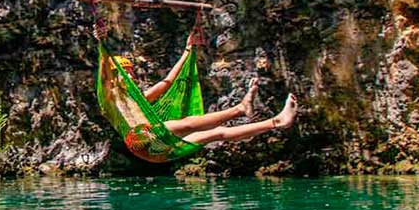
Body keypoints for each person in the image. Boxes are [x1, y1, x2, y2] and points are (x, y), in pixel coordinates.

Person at [111, 32, 297, 147]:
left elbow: (167, 82)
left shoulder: (141, 97)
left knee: (218, 133)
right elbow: (106, 79)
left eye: (131, 72)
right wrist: (101, 39)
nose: (131, 76)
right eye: (125, 73)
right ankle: (240, 109)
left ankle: (277, 122)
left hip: (160, 146)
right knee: (186, 123)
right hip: (141, 141)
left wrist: (187, 50)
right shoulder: (115, 97)